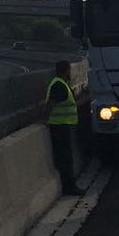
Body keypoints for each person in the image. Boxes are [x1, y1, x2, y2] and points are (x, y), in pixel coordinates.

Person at [46, 60, 85, 196]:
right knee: (65, 159)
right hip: (59, 126)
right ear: (66, 70)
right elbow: (51, 104)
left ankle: (69, 185)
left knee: (65, 158)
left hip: (62, 125)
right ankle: (69, 187)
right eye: (69, 70)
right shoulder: (59, 85)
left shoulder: (61, 84)